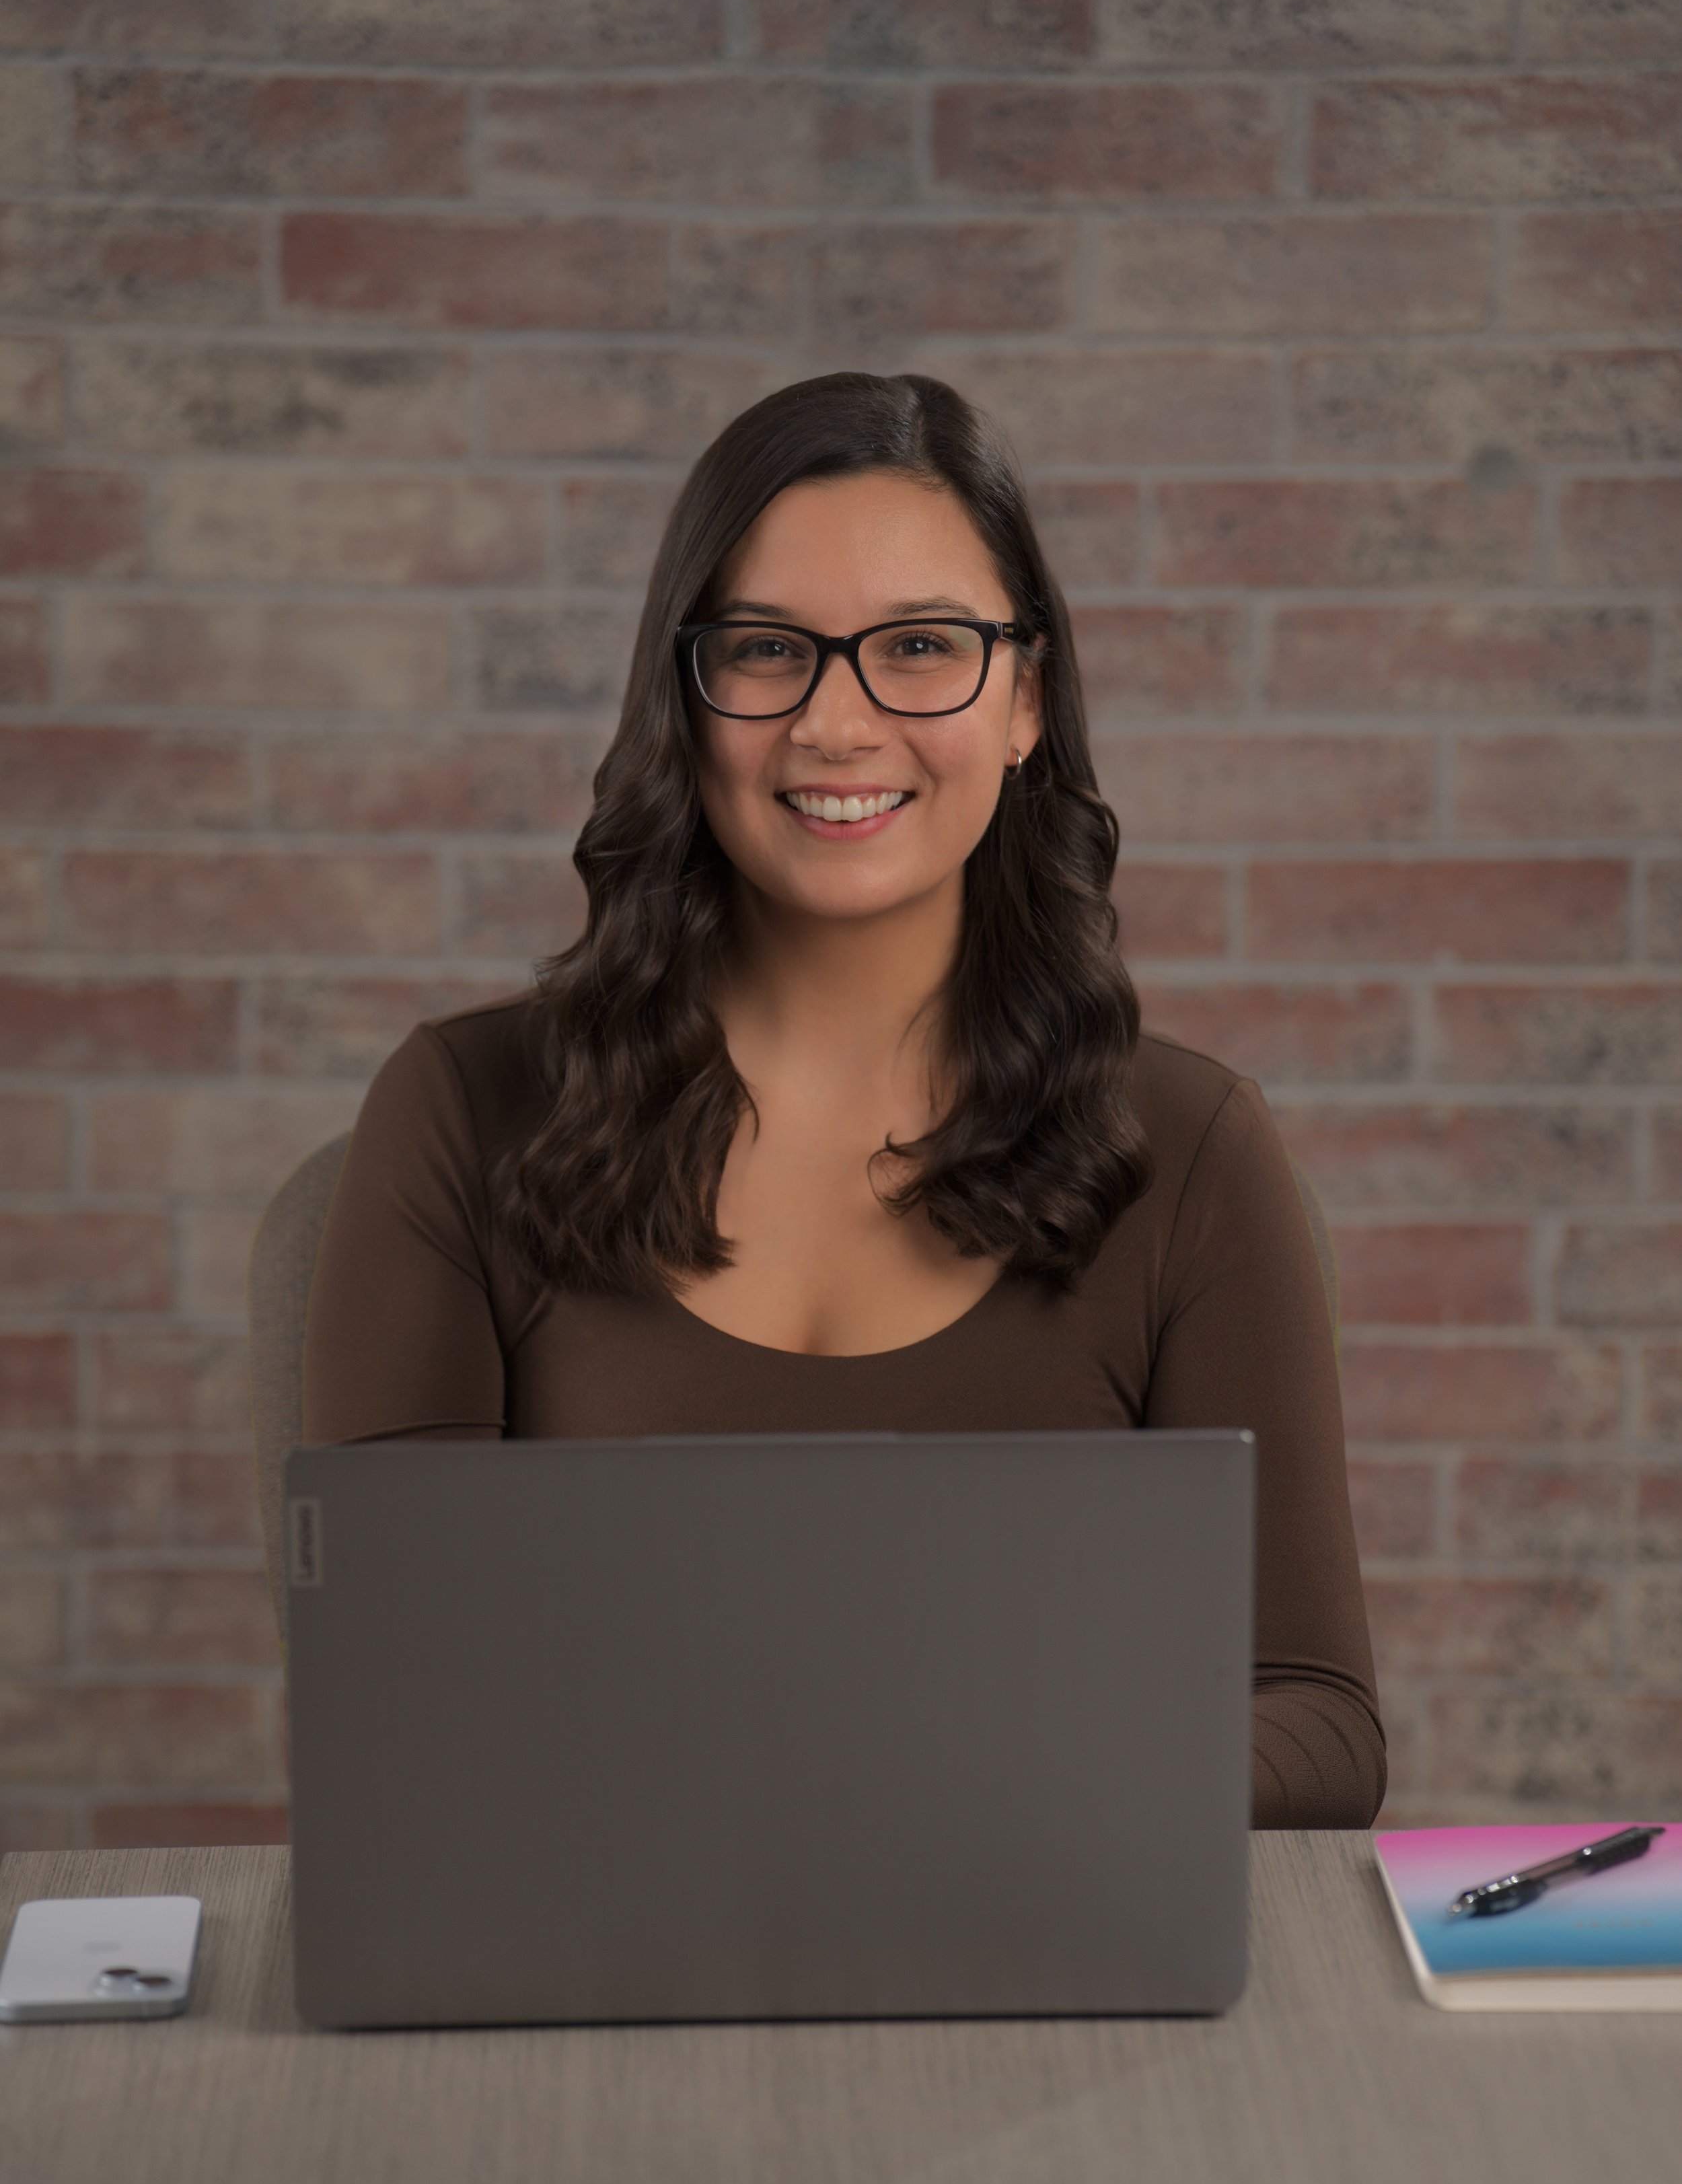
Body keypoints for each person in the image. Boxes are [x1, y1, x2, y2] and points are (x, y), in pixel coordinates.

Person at [302, 370, 1385, 1829]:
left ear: (1023, 702)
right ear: (683, 700)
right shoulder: (461, 1109)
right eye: (765, 651)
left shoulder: (1191, 1150)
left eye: (920, 646)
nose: (836, 722)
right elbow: (393, 1691)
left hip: (1051, 1957)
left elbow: (1317, 1722)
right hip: (599, 1984)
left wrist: (1000, 1788)